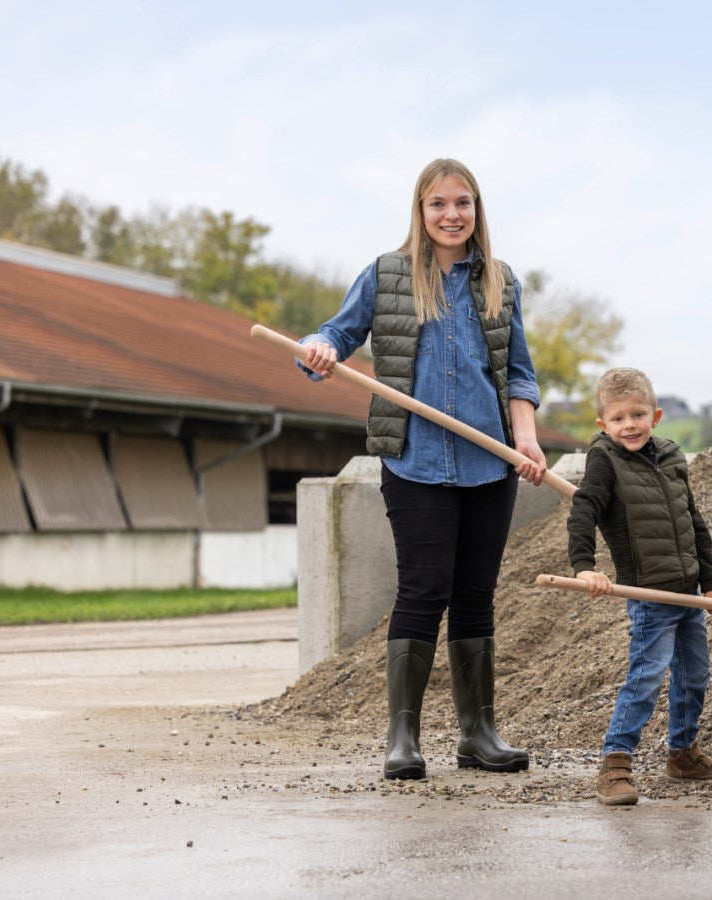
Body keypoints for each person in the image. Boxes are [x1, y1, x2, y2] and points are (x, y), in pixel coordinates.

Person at [298, 158, 546, 781]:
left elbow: (517, 370)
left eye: (462, 203)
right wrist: (321, 351)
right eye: (439, 204)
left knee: (474, 595)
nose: (452, 214)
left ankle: (477, 735)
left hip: (491, 462)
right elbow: (336, 333)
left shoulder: (499, 280)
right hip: (415, 460)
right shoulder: (387, 275)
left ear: (476, 210)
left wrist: (527, 441)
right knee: (423, 589)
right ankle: (402, 738)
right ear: (421, 210)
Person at [566, 367, 712, 806]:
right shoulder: (605, 459)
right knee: (646, 677)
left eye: (637, 414)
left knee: (694, 675)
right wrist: (584, 566)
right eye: (619, 418)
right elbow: (584, 509)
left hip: (688, 594)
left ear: (656, 415)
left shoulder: (671, 457)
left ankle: (683, 754)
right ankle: (615, 763)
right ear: (603, 424)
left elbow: (692, 523)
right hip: (648, 596)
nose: (629, 426)